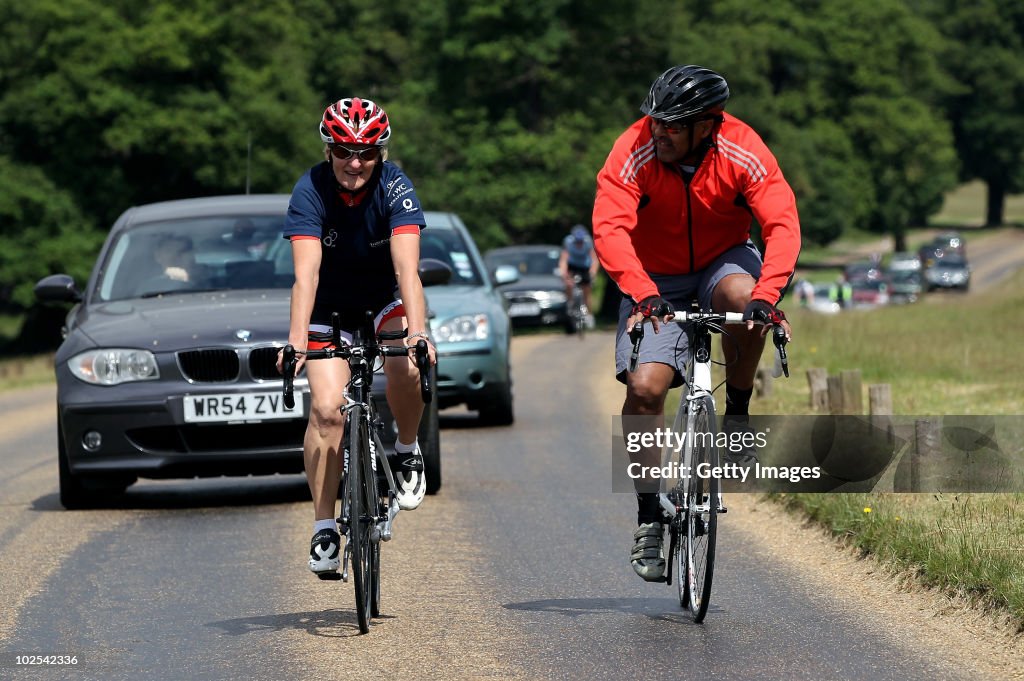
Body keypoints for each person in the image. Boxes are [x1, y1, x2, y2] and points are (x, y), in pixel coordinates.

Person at [592, 65, 799, 582]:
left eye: (674, 125)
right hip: (654, 276)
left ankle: (738, 412)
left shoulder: (743, 148)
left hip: (722, 259)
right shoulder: (634, 149)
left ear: (708, 125)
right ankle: (648, 515)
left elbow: (782, 223)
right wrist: (642, 293)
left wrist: (767, 297)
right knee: (644, 390)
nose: (659, 132)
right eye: (656, 121)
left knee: (742, 301)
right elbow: (610, 227)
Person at [276, 97, 436, 576]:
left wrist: (420, 334)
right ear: (329, 150)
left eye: (366, 152)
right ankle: (325, 526)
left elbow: (409, 272)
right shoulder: (310, 190)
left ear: (380, 154)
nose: (355, 162)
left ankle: (407, 451)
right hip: (328, 305)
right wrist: (296, 342)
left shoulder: (395, 187)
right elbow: (305, 277)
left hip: (383, 298)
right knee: (327, 411)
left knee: (406, 361)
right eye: (345, 151)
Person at [558, 224, 600, 328]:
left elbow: (594, 259)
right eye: (577, 242)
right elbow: (564, 259)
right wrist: (563, 273)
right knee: (568, 283)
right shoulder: (568, 242)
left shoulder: (588, 241)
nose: (579, 244)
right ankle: (570, 302)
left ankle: (589, 315)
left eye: (581, 242)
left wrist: (593, 273)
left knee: (587, 291)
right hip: (572, 266)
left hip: (584, 267)